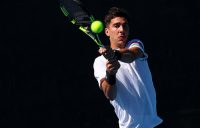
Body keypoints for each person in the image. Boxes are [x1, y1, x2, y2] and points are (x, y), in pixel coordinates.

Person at [93, 7, 163, 128]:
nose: (121, 30)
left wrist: (114, 54)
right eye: (116, 26)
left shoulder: (135, 44)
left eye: (125, 26)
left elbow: (131, 55)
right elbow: (110, 95)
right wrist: (111, 74)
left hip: (153, 125)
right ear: (107, 31)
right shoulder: (99, 62)